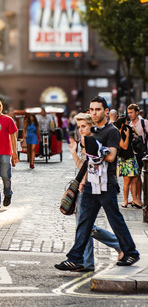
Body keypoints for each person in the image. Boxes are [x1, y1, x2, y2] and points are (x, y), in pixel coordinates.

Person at [55, 96, 140, 270]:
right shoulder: (91, 131)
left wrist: (94, 146)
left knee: (115, 220)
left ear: (106, 111)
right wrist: (80, 179)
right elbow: (88, 161)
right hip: (90, 184)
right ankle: (76, 258)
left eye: (98, 109)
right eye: (91, 109)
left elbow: (110, 156)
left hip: (106, 184)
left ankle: (130, 252)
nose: (94, 112)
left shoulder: (111, 131)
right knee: (84, 222)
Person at [68, 113, 123, 271]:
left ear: (92, 126)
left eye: (83, 126)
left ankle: (120, 245)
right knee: (84, 226)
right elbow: (84, 167)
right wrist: (73, 153)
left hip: (96, 189)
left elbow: (97, 167)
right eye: (79, 127)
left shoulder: (95, 142)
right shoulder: (85, 142)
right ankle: (87, 262)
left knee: (87, 226)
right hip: (86, 188)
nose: (81, 130)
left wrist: (84, 181)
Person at [114, 113, 142, 208]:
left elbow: (138, 136)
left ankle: (135, 199)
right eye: (126, 122)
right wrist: (127, 134)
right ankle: (125, 201)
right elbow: (124, 146)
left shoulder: (127, 130)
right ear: (122, 124)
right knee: (127, 181)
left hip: (131, 157)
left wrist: (131, 132)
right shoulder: (118, 133)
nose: (127, 124)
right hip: (124, 160)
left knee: (134, 179)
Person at [126, 104, 145, 207]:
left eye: (131, 112)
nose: (130, 115)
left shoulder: (144, 123)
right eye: (128, 113)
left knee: (137, 176)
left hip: (140, 153)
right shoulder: (128, 124)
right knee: (133, 177)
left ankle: (138, 198)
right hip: (130, 154)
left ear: (137, 112)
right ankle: (135, 199)